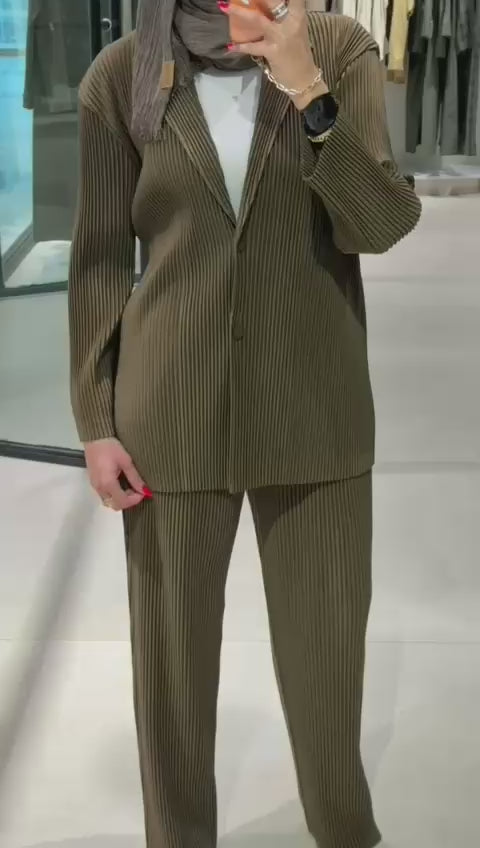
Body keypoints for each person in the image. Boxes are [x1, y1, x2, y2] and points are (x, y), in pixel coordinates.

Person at [68, 0, 421, 845]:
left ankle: (344, 831)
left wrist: (308, 92)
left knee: (327, 664)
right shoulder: (121, 75)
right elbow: (100, 258)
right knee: (172, 672)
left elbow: (379, 225)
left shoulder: (339, 49)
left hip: (315, 405)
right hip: (170, 409)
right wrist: (96, 417)